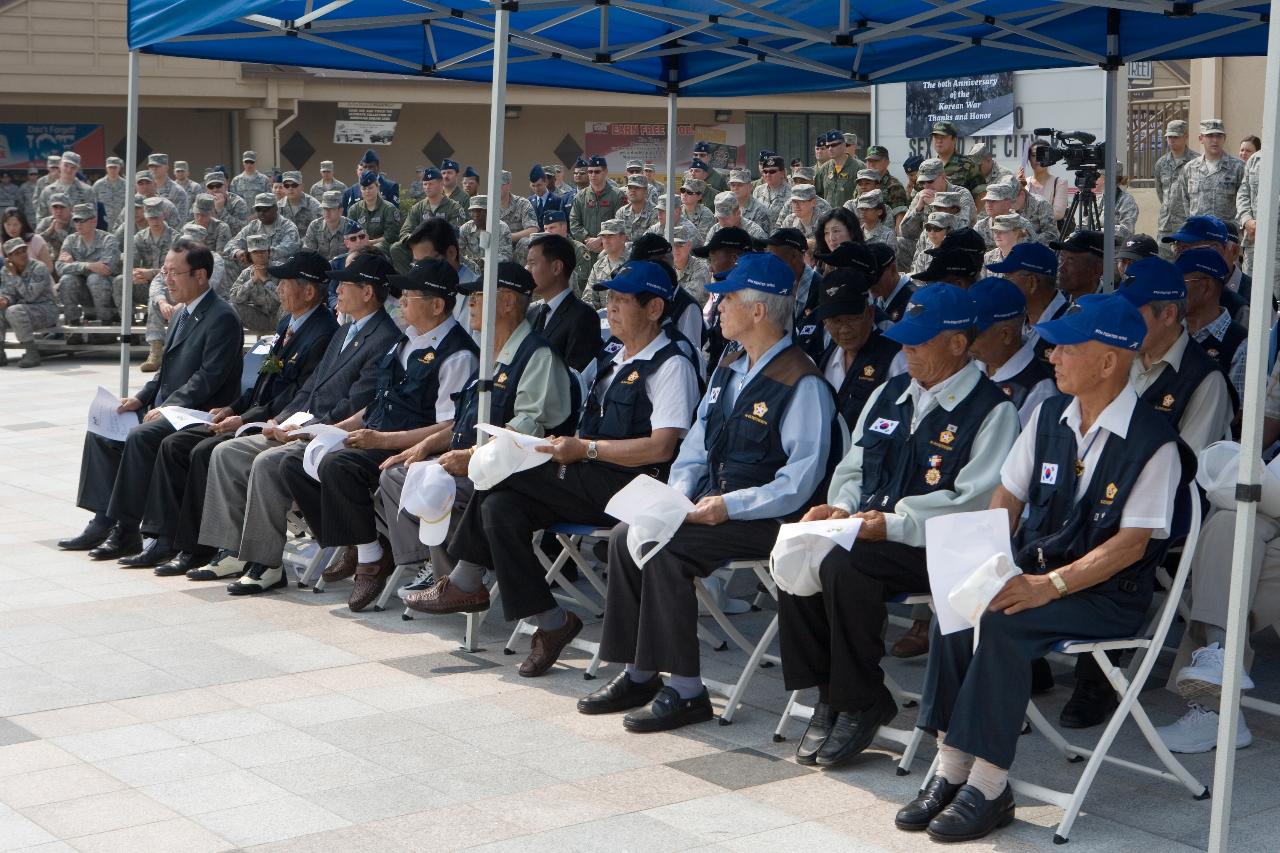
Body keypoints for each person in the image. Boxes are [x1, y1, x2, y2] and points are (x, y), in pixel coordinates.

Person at [898, 291, 1187, 843]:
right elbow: (1007, 496)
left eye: (1064, 349)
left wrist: (1047, 586)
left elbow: (1129, 547)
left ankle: (986, 782)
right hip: (1040, 571)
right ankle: (949, 764)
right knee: (960, 604)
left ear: (1108, 361)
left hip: (1105, 595)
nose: (1050, 357)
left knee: (1003, 621)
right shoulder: (1050, 413)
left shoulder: (1155, 442)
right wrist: (984, 567)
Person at [577, 252, 837, 733]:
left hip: (766, 519)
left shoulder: (802, 381)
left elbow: (800, 482)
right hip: (709, 507)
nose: (716, 306)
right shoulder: (730, 367)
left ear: (759, 311)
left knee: (667, 553)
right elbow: (696, 446)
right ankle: (639, 671)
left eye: (729, 298)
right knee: (625, 536)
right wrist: (673, 499)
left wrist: (729, 507)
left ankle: (687, 690)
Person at [779, 284, 1018, 768]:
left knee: (846, 567)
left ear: (956, 343)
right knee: (799, 548)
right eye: (905, 338)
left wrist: (890, 523)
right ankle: (829, 692)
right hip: (868, 530)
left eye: (920, 340)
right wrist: (842, 508)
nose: (906, 348)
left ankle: (860, 699)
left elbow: (974, 501)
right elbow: (853, 466)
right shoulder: (891, 393)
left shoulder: (992, 409)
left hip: (940, 546)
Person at [443, 260, 700, 675]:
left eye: (622, 300)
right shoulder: (613, 359)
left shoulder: (671, 365)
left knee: (505, 467)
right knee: (499, 508)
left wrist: (586, 449)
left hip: (632, 490)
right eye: (609, 299)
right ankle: (551, 622)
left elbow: (661, 447)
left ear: (654, 309)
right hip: (589, 481)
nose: (611, 309)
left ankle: (465, 580)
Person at [276, 257, 478, 608]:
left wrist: (381, 441)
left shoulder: (457, 354)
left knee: (339, 467)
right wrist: (333, 430)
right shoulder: (406, 340)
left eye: (409, 295)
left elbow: (450, 426)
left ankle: (371, 559)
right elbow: (377, 404)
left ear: (437, 304)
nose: (400, 301)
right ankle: (362, 543)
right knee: (295, 463)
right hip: (375, 437)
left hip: (409, 447)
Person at [198, 252, 401, 587]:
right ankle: (233, 550)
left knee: (266, 464)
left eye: (345, 285)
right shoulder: (345, 331)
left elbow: (357, 401)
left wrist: (302, 430)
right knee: (226, 452)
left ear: (367, 292)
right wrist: (282, 419)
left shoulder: (384, 338)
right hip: (303, 425)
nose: (337, 291)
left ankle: (266, 564)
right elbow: (311, 387)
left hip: (329, 435)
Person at [143, 252, 339, 576]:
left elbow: (292, 397)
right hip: (252, 414)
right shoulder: (287, 323)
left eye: (286, 283)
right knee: (176, 443)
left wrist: (245, 420)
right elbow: (264, 379)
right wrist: (232, 408)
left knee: (204, 451)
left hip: (274, 421)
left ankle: (201, 548)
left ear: (308, 291)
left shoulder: (322, 333)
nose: (279, 290)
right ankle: (173, 539)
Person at [398, 262, 577, 615]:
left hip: (522, 474)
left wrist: (470, 456)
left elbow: (526, 436)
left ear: (507, 302)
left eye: (479, 296)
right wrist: (427, 446)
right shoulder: (490, 355)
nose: (472, 304)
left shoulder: (536, 355)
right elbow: (465, 420)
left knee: (443, 484)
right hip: (481, 465)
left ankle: (461, 583)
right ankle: (448, 577)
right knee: (407, 474)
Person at [57, 240, 245, 559]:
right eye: (165, 271)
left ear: (200, 276)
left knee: (140, 437)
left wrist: (168, 406)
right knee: (104, 424)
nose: (167, 279)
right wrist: (141, 397)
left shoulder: (222, 317)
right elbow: (163, 373)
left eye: (174, 272)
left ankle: (129, 530)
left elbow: (208, 378)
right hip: (166, 405)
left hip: (196, 412)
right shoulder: (183, 313)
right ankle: (102, 520)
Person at [1119, 257, 1233, 454]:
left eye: (1132, 313)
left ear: (1169, 314)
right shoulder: (1121, 356)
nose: (1122, 321)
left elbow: (1187, 468)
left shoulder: (1206, 380)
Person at [809, 264, 902, 428]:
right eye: (836, 321)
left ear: (870, 314)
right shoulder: (827, 357)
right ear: (825, 323)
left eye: (852, 318)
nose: (844, 329)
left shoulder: (895, 358)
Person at [968, 277, 1057, 425]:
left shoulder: (1037, 389)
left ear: (1006, 335)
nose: (965, 339)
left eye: (973, 334)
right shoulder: (971, 365)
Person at [527, 232, 602, 372]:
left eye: (532, 263)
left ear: (556, 267)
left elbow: (575, 377)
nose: (527, 270)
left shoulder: (583, 317)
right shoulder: (532, 313)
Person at [1174, 247, 1248, 388]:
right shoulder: (1170, 330)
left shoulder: (1240, 344)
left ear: (1206, 287)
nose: (1172, 290)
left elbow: (1241, 409)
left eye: (1180, 282)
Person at [985, 241, 1065, 365]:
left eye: (1008, 277)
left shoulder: (1068, 327)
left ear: (1031, 283)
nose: (1003, 284)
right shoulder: (1015, 317)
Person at [1169, 119, 1245, 227]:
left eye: (1219, 136)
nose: (1215, 140)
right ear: (1201, 139)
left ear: (1224, 138)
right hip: (1198, 235)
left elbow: (1244, 202)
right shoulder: (1190, 168)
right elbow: (1182, 203)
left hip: (1227, 236)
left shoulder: (1238, 167)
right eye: (1210, 136)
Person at [55, 203, 120, 328]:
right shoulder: (70, 240)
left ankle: (106, 322)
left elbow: (106, 269)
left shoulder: (108, 239)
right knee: (66, 280)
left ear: (94, 221)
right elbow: (60, 268)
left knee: (95, 278)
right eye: (76, 220)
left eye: (83, 220)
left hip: (107, 294)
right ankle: (73, 325)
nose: (79, 224)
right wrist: (89, 266)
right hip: (83, 292)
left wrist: (73, 264)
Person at [0, 237, 58, 368]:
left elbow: (30, 296)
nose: (22, 255)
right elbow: (8, 293)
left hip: (46, 310)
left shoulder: (39, 267)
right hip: (22, 310)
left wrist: (15, 276)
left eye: (23, 250)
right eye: (17, 253)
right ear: (9, 258)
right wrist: (5, 300)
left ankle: (31, 353)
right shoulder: (5, 271)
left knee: (14, 311)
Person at [1154, 120, 1199, 258]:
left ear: (1185, 136)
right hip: (1166, 226)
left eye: (1176, 137)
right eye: (1169, 137)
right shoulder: (1161, 163)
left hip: (1187, 225)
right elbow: (1160, 192)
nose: (1172, 140)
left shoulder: (1196, 162)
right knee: (1164, 267)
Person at [226, 193, 301, 273]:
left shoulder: (288, 227)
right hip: (253, 269)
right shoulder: (253, 226)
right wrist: (238, 252)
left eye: (265, 209)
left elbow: (288, 249)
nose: (262, 213)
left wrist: (255, 255)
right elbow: (230, 245)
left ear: (276, 208)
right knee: (227, 262)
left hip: (279, 270)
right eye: (258, 209)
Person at [570, 155, 626, 261]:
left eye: (597, 172)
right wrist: (587, 239)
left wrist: (601, 240)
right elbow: (574, 222)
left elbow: (620, 222)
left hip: (610, 252)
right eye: (590, 172)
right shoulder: (581, 196)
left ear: (605, 172)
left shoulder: (617, 195)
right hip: (586, 251)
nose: (593, 175)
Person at [229, 233, 281, 333]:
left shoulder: (280, 269)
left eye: (263, 251)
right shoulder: (247, 273)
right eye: (255, 252)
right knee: (232, 307)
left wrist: (265, 280)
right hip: (259, 318)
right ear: (250, 255)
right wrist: (252, 280)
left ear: (268, 252)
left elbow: (285, 298)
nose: (260, 255)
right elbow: (233, 297)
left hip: (280, 316)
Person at [347, 171, 402, 251]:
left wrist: (372, 242)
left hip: (383, 248)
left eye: (370, 188)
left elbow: (391, 236)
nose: (367, 191)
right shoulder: (354, 209)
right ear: (360, 190)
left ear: (377, 187)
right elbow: (350, 233)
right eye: (364, 189)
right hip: (359, 246)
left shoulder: (389, 208)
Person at [458, 196, 512, 277]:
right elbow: (457, 252)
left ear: (489, 211)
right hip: (471, 271)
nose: (476, 215)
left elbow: (506, 256)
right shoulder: (466, 228)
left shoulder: (501, 228)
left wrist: (484, 262)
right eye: (472, 211)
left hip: (495, 272)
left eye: (479, 211)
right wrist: (469, 263)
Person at [814, 129, 866, 209]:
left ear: (844, 145)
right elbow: (817, 195)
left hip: (849, 218)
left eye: (834, 145)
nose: (830, 148)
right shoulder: (825, 168)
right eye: (828, 146)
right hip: (829, 217)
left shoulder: (859, 167)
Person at [929, 121, 983, 193]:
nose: (939, 141)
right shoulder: (928, 166)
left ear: (954, 140)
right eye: (936, 137)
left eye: (943, 137)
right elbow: (915, 196)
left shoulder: (969, 166)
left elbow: (981, 196)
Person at [585, 219, 629, 305]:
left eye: (611, 236)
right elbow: (589, 298)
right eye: (603, 236)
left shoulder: (634, 262)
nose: (606, 240)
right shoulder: (598, 266)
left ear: (623, 238)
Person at [863, 146, 911, 223]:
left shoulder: (894, 186)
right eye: (869, 161)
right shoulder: (862, 184)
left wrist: (899, 234)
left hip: (885, 232)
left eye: (876, 160)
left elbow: (900, 215)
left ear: (886, 162)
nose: (872, 164)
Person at [303, 191, 352, 264]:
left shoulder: (351, 227)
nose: (327, 213)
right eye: (325, 209)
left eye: (331, 209)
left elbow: (356, 255)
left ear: (340, 210)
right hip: (320, 268)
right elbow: (308, 254)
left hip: (343, 269)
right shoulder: (314, 226)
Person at [727, 169, 774, 235]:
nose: (735, 188)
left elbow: (763, 241)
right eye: (733, 185)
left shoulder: (760, 211)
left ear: (750, 187)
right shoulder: (726, 207)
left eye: (740, 185)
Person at [752, 154, 792, 227]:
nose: (768, 174)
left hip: (780, 235)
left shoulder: (791, 194)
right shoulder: (758, 190)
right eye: (765, 171)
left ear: (782, 172)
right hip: (759, 234)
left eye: (772, 171)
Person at [618, 175, 658, 243]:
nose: (633, 190)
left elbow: (652, 241)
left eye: (637, 187)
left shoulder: (655, 212)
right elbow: (618, 238)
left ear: (646, 192)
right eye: (630, 187)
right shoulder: (621, 212)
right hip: (624, 252)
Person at [527, 164, 565, 231]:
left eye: (539, 185)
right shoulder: (528, 201)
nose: (536, 189)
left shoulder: (557, 200)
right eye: (533, 186)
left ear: (546, 182)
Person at [93, 156, 128, 225]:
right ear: (106, 168)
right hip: (103, 222)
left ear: (119, 168)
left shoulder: (126, 185)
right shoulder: (98, 185)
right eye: (110, 167)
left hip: (122, 223)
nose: (112, 170)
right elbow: (93, 204)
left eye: (115, 167)